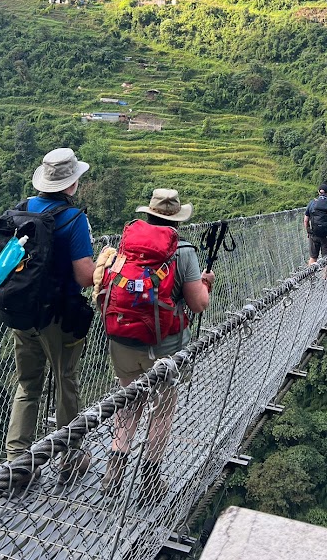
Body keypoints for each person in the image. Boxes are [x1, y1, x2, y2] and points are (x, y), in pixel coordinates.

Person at [100, 189, 214, 500]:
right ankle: (149, 482)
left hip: (122, 339)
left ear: (148, 214)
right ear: (176, 220)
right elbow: (199, 304)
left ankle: (113, 471)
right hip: (165, 348)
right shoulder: (184, 251)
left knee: (129, 402)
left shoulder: (127, 245)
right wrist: (205, 283)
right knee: (161, 410)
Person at [5, 148, 95, 482]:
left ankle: (17, 464)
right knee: (64, 380)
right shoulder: (73, 219)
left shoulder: (22, 210)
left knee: (27, 384)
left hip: (22, 312)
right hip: (57, 317)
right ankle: (70, 458)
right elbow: (85, 276)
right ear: (72, 184)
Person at [303, 183, 327, 264]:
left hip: (314, 235)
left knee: (313, 257)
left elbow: (305, 220)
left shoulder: (312, 203)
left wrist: (308, 231)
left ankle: (311, 276)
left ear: (318, 192)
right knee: (326, 260)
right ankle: (325, 277)